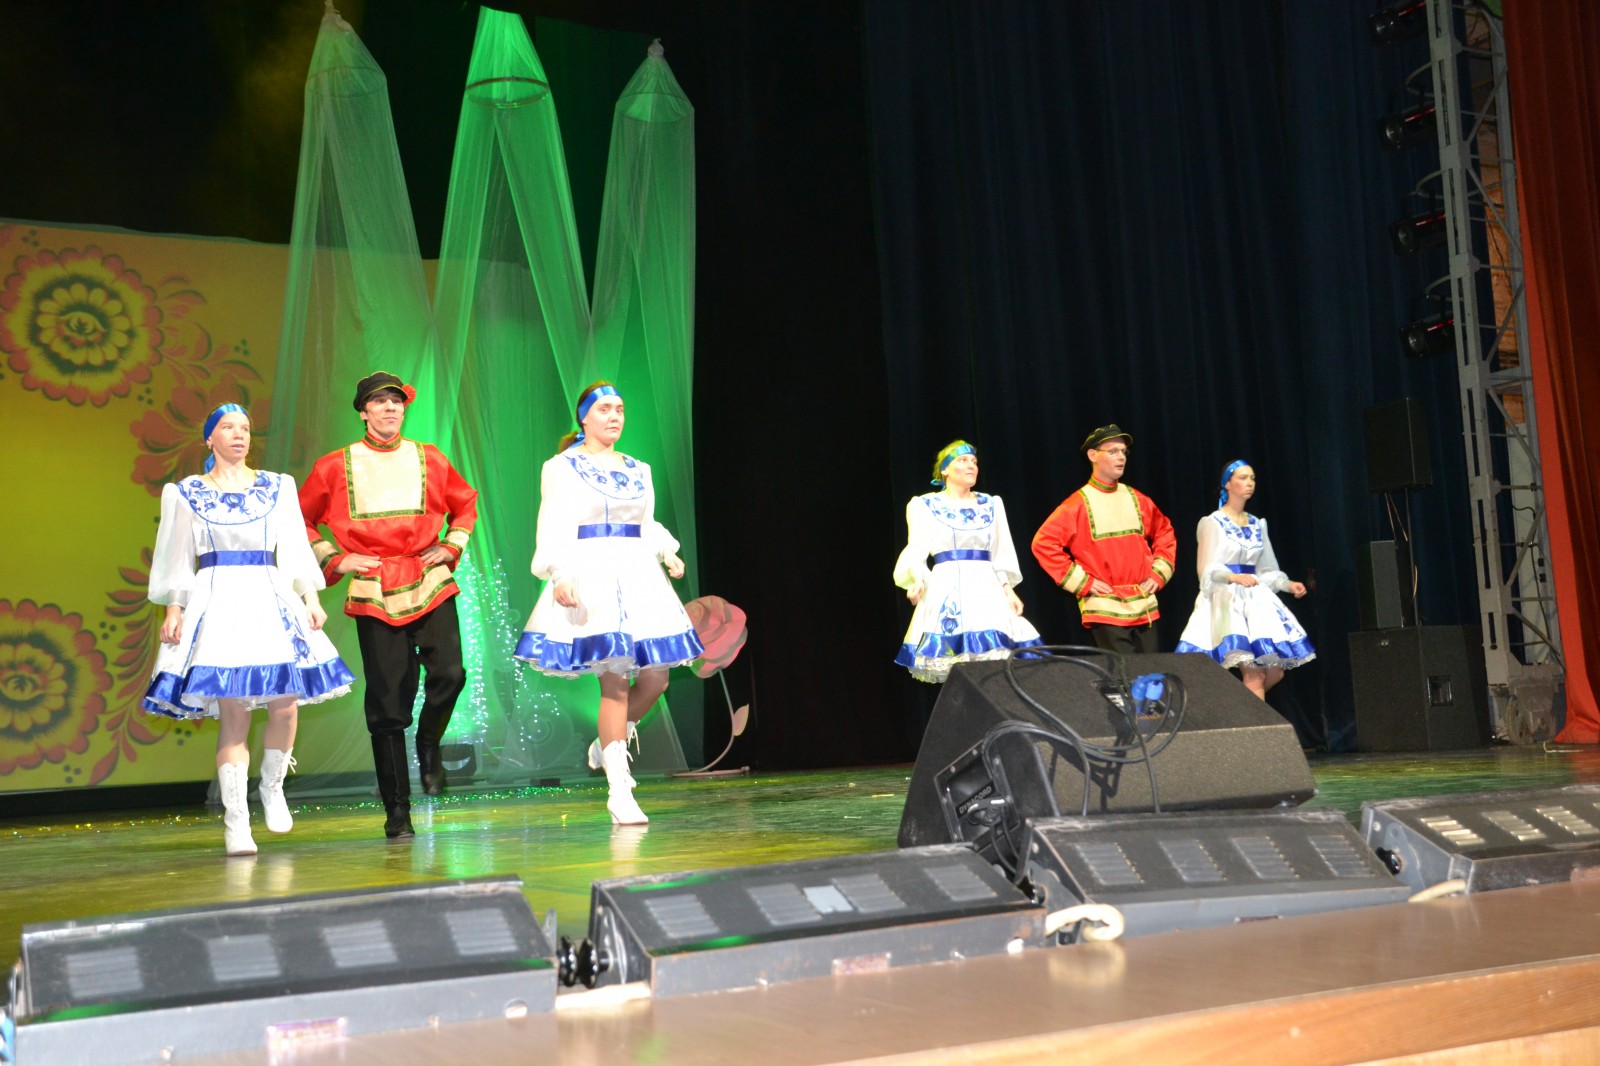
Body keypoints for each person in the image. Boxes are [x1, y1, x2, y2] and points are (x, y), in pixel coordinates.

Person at [143, 403, 355, 856]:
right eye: (227, 427)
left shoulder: (278, 486)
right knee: (235, 713)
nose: (239, 434)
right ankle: (236, 820)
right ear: (210, 438)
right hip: (218, 601)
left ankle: (272, 786)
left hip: (269, 596)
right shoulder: (185, 493)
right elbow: (175, 558)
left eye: (245, 428)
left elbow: (295, 546)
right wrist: (174, 608)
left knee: (286, 706)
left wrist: (310, 596)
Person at [299, 372, 479, 839]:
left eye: (395, 401)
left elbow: (465, 504)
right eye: (378, 402)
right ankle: (397, 810)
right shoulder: (334, 465)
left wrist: (452, 545)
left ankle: (429, 742)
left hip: (427, 575)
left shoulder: (429, 457)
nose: (389, 408)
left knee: (451, 674)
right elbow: (298, 520)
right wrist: (336, 558)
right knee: (387, 702)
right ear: (363, 412)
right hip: (375, 584)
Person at [515, 381, 703, 825]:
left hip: (639, 575)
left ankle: (607, 743)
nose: (614, 416)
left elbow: (646, 521)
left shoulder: (639, 468)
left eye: (619, 408)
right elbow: (552, 524)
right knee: (615, 682)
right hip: (593, 573)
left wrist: (667, 550)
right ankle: (619, 789)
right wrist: (559, 573)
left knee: (657, 679)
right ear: (584, 417)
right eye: (604, 409)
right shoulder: (562, 466)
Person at [894, 440, 1042, 682]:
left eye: (974, 461)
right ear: (945, 469)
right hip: (948, 586)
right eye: (963, 460)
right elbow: (917, 548)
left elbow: (999, 551)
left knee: (994, 661)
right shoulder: (924, 505)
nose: (971, 465)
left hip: (986, 587)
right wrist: (917, 578)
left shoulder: (991, 504)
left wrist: (1008, 589)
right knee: (958, 664)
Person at [1031, 424, 1176, 656]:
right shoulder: (1077, 504)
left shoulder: (1138, 499)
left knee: (1151, 672)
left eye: (1123, 452)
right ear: (1092, 455)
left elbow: (1164, 532)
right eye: (1113, 451)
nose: (1121, 457)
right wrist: (1083, 582)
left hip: (1143, 605)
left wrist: (1159, 573)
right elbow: (1043, 543)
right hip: (1105, 607)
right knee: (1124, 673)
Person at [1175, 460, 1315, 698]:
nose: (1249, 483)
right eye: (1242, 478)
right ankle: (1248, 722)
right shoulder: (1213, 522)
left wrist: (1287, 584)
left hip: (1256, 602)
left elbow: (1266, 570)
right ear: (1227, 484)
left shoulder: (1257, 524)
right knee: (1254, 674)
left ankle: (1234, 712)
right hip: (1228, 600)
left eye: (1252, 478)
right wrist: (1232, 577)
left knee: (1275, 673)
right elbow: (1207, 570)